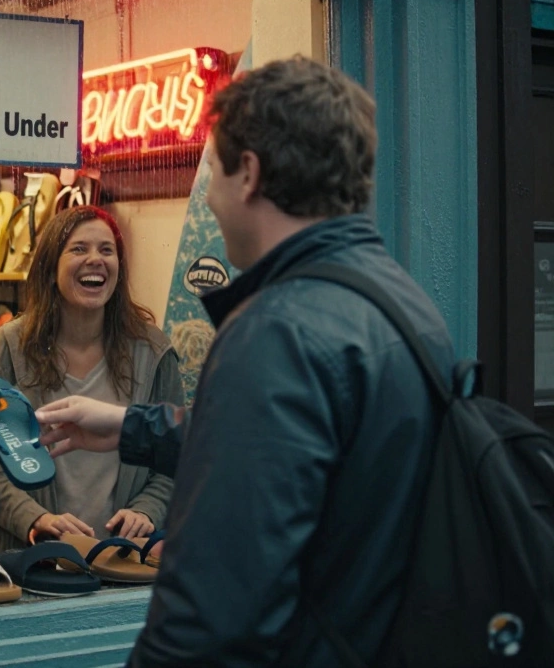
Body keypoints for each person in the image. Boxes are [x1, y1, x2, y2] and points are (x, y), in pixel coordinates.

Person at [36, 56, 455, 667]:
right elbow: (300, 443)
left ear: (249, 174)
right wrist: (133, 427)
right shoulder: (401, 301)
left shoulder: (275, 331)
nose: (207, 199)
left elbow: (214, 604)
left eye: (214, 170)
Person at [0, 205, 182, 553]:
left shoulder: (153, 353)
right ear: (51, 268)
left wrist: (147, 510)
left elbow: (175, 458)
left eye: (106, 250)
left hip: (122, 561)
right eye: (79, 248)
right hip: (33, 561)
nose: (95, 259)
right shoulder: (4, 349)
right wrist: (33, 518)